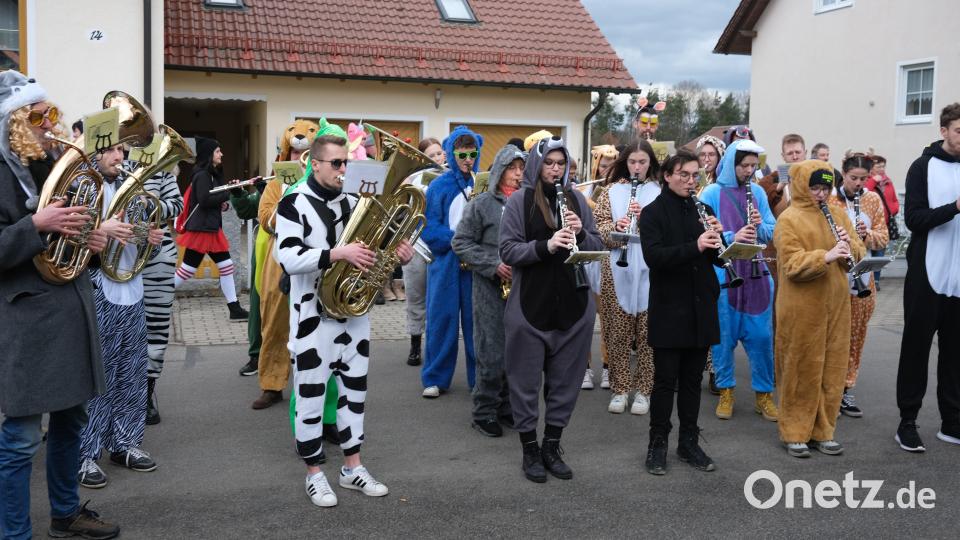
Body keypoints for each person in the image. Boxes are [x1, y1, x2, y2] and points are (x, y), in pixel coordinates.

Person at [0, 71, 118, 540]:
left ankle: (66, 513)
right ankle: (14, 533)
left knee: (73, 419)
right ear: (13, 120)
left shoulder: (50, 164)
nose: (50, 122)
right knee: (22, 439)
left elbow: (67, 234)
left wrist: (91, 237)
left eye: (50, 113)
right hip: (26, 317)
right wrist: (36, 224)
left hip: (70, 308)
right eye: (38, 115)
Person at [275, 133, 413, 507]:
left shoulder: (356, 202)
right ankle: (314, 473)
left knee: (355, 395)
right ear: (314, 164)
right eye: (336, 163)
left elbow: (376, 254)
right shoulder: (292, 203)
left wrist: (398, 252)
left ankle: (352, 467)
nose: (342, 171)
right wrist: (337, 253)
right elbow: (287, 257)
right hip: (311, 319)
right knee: (311, 396)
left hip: (354, 318)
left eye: (345, 163)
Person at [499, 135, 603, 483]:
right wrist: (546, 245)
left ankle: (552, 446)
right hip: (531, 306)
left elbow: (597, 243)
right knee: (525, 384)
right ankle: (529, 450)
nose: (555, 170)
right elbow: (508, 250)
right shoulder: (520, 202)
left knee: (565, 384)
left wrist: (580, 234)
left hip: (574, 306)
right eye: (549, 163)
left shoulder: (576, 198)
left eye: (561, 164)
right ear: (536, 164)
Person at [77, 143, 164, 489]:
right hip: (98, 287)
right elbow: (66, 237)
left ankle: (124, 443)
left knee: (132, 370)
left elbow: (142, 240)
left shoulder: (134, 192)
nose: (120, 158)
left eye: (123, 151)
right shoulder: (81, 186)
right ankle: (84, 451)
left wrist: (150, 237)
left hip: (132, 288)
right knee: (97, 374)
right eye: (112, 151)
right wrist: (101, 229)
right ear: (95, 152)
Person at [640, 149, 723, 475]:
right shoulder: (652, 213)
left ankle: (689, 442)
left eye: (695, 175)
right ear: (667, 175)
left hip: (700, 306)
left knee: (692, 381)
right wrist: (696, 246)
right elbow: (655, 258)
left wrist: (719, 243)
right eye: (684, 175)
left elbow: (714, 259)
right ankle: (657, 443)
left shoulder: (703, 208)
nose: (691, 181)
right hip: (669, 307)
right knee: (665, 382)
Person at [774, 160, 865, 458]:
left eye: (825, 187)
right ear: (801, 185)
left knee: (832, 368)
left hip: (837, 306)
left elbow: (859, 252)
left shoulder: (838, 213)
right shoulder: (789, 219)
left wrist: (848, 246)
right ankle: (795, 431)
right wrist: (825, 256)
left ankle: (824, 430)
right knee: (802, 368)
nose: (820, 194)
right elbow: (791, 264)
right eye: (814, 187)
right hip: (802, 308)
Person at [698, 140, 778, 422]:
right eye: (744, 166)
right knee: (723, 339)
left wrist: (760, 227)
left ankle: (764, 396)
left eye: (753, 166)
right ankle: (727, 391)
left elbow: (772, 228)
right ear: (732, 163)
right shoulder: (711, 193)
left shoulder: (757, 192)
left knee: (762, 338)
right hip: (725, 275)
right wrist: (733, 236)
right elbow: (705, 234)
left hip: (757, 276)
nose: (749, 171)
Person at [895, 103, 960, 452]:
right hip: (927, 275)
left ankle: (952, 422)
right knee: (916, 349)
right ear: (944, 131)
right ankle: (907, 421)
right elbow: (915, 220)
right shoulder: (922, 167)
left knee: (955, 354)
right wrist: (954, 207)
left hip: (959, 277)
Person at [452, 144, 525, 437]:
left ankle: (506, 408)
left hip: (520, 287)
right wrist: (492, 264)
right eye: (512, 168)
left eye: (521, 169)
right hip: (488, 287)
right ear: (499, 170)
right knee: (491, 351)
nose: (517, 174)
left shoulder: (528, 203)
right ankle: (483, 412)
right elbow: (461, 243)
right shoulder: (481, 204)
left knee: (516, 351)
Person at [593, 141, 660, 415]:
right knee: (617, 333)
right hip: (616, 268)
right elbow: (598, 227)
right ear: (625, 163)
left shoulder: (659, 192)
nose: (637, 167)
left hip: (650, 269)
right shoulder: (611, 192)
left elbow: (668, 232)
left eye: (642, 162)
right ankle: (620, 389)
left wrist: (647, 222)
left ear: (650, 164)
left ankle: (644, 390)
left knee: (648, 335)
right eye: (632, 162)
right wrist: (616, 227)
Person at [420, 126, 483, 398]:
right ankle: (435, 377)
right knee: (440, 320)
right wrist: (458, 238)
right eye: (462, 154)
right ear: (450, 154)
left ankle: (479, 378)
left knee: (477, 323)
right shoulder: (438, 186)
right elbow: (429, 228)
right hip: (446, 263)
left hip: (476, 264)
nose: (468, 159)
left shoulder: (484, 184)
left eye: (472, 154)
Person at [829, 152, 888, 418]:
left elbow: (883, 237)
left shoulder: (873, 199)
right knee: (833, 335)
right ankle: (828, 388)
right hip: (834, 276)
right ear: (844, 173)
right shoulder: (830, 198)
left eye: (864, 179)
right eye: (854, 178)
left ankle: (847, 388)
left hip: (862, 279)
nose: (858, 184)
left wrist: (868, 235)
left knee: (856, 336)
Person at [174, 137, 249, 321]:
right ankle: (156, 297)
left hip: (208, 228)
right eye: (217, 151)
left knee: (225, 267)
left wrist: (222, 203)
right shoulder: (202, 175)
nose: (221, 154)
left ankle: (234, 308)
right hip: (202, 230)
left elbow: (209, 200)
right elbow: (204, 200)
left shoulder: (210, 174)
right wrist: (228, 193)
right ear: (209, 155)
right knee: (187, 271)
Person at [140, 167, 183, 424]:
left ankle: (146, 394)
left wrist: (148, 204)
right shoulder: (108, 166)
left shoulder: (162, 172)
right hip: (115, 255)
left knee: (155, 329)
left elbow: (176, 206)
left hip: (157, 260)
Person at [401, 136, 445, 367]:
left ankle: (435, 346)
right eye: (431, 155)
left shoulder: (450, 178)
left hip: (439, 246)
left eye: (439, 153)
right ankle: (415, 343)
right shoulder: (413, 178)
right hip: (416, 243)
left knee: (437, 299)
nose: (437, 158)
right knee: (415, 296)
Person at [580, 144, 619, 390]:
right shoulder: (583, 190)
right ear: (596, 165)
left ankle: (607, 367)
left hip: (608, 259)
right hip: (586, 258)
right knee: (583, 319)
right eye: (604, 166)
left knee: (608, 319)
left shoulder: (618, 191)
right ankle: (583, 368)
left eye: (611, 167)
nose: (607, 171)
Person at [864, 153, 899, 286]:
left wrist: (893, 210)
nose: (882, 169)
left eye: (883, 166)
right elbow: (865, 191)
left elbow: (895, 200)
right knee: (868, 255)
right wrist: (874, 181)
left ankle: (876, 280)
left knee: (879, 254)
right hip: (869, 225)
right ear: (872, 168)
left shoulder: (888, 181)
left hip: (884, 224)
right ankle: (867, 280)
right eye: (878, 166)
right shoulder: (867, 180)